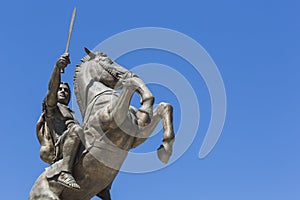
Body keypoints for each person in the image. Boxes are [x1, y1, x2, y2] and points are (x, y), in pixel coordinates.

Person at [36, 53, 81, 190]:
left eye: (66, 91)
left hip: (76, 142)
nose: (63, 91)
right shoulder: (52, 108)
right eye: (60, 89)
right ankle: (64, 172)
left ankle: (103, 185)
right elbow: (52, 89)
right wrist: (57, 68)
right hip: (59, 146)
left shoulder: (72, 113)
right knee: (77, 130)